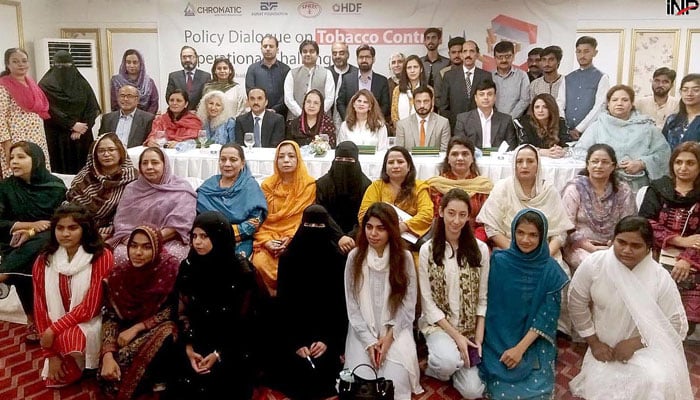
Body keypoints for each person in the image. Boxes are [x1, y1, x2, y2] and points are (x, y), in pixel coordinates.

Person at [568, 216, 692, 399]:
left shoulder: (659, 278)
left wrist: (636, 343)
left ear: (649, 248)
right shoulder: (595, 264)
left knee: (656, 382)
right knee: (607, 392)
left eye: (636, 246)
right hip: (605, 348)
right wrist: (594, 343)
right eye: (621, 242)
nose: (627, 250)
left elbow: (675, 324)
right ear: (613, 240)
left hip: (647, 348)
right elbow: (576, 303)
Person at [480, 209, 568, 399]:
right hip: (498, 336)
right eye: (520, 233)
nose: (525, 240)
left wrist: (520, 349)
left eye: (533, 235)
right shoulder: (499, 262)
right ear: (512, 232)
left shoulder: (550, 271)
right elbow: (488, 306)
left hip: (533, 340)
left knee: (537, 392)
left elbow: (546, 317)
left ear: (542, 236)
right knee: (501, 390)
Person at [344, 202, 423, 400]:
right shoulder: (354, 257)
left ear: (391, 230)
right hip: (362, 331)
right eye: (369, 227)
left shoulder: (404, 258)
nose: (373, 234)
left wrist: (388, 338)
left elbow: (408, 305)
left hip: (396, 329)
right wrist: (369, 341)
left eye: (381, 228)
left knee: (394, 386)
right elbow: (352, 307)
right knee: (364, 385)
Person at [418, 189, 490, 399]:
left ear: (469, 216)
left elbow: (482, 299)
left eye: (462, 214)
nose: (456, 220)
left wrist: (477, 339)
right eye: (451, 213)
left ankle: (454, 363)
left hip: (469, 328)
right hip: (440, 325)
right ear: (441, 212)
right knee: (446, 362)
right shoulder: (428, 250)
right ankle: (440, 365)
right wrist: (457, 338)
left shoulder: (481, 250)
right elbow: (428, 304)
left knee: (473, 392)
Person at [175, 212, 256, 399]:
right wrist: (188, 348)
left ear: (219, 237)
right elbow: (182, 311)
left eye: (204, 236)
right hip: (196, 340)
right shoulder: (188, 266)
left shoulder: (240, 271)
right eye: (194, 236)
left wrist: (219, 354)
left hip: (232, 344)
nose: (197, 242)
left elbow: (245, 321)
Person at [32, 204, 113, 388]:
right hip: (58, 323)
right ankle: (70, 362)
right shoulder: (44, 259)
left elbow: (90, 307)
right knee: (56, 378)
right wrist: (49, 354)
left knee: (70, 339)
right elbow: (40, 305)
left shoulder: (101, 256)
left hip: (93, 319)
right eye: (60, 228)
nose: (65, 234)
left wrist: (52, 331)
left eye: (72, 228)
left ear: (85, 229)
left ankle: (84, 362)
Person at [275, 205, 347, 399]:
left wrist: (327, 340)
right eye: (309, 224)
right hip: (295, 336)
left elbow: (340, 306)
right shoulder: (288, 259)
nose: (314, 229)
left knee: (326, 375)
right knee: (296, 374)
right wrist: (296, 343)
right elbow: (283, 305)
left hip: (327, 336)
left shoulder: (337, 260)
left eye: (319, 224)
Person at [100, 225, 179, 399]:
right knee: (110, 375)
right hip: (125, 333)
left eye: (146, 247)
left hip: (158, 328)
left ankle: (158, 381)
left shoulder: (169, 269)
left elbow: (174, 310)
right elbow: (110, 316)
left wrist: (138, 327)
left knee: (168, 332)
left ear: (157, 248)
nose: (138, 252)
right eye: (133, 246)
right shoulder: (119, 275)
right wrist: (107, 354)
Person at [0, 141, 65, 342]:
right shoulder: (5, 188)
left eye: (21, 157)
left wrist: (32, 231)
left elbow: (60, 220)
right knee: (24, 253)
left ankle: (5, 273)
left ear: (36, 160)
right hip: (13, 240)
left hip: (49, 238)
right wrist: (26, 226)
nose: (14, 162)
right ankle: (32, 320)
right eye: (12, 158)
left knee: (39, 242)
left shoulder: (55, 187)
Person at [639, 141, 700, 340]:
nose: (683, 168)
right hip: (655, 250)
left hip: (695, 257)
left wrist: (687, 259)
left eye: (690, 163)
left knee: (690, 280)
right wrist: (679, 241)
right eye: (679, 162)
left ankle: (679, 336)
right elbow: (645, 223)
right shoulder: (659, 188)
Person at [573, 84, 671, 193]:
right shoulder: (597, 126)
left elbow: (664, 153)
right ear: (608, 104)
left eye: (625, 100)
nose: (619, 103)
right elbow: (580, 151)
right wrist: (606, 164)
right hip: (603, 184)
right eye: (615, 100)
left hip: (639, 186)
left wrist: (642, 163)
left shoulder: (647, 127)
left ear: (632, 104)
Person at [108, 147, 196, 264]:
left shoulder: (181, 189)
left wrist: (150, 241)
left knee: (172, 256)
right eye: (145, 163)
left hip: (168, 241)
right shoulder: (132, 189)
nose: (149, 167)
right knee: (120, 254)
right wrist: (137, 244)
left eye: (155, 163)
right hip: (133, 241)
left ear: (165, 165)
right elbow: (122, 222)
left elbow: (178, 225)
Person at [252, 140, 315, 295]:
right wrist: (266, 241)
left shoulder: (309, 186)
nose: (286, 160)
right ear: (276, 160)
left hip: (296, 239)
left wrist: (291, 239)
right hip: (269, 238)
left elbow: (305, 220)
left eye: (291, 156)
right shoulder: (267, 186)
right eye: (281, 157)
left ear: (298, 159)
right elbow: (260, 220)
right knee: (259, 263)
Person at [561, 144, 636, 271]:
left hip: (615, 246)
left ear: (613, 166)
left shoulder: (623, 190)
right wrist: (590, 247)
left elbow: (629, 225)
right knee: (594, 266)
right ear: (588, 164)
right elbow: (567, 226)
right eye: (595, 161)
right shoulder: (575, 189)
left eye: (605, 162)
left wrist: (614, 245)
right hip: (579, 247)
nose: (599, 166)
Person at [196, 143, 267, 258]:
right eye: (223, 160)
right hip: (207, 238)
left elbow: (255, 221)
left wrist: (223, 234)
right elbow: (198, 216)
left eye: (233, 160)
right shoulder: (209, 185)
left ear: (242, 163)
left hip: (239, 240)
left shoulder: (249, 186)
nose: (227, 164)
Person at [39, 50, 101, 174]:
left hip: (82, 137)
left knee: (85, 172)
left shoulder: (82, 84)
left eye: (67, 65)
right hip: (58, 137)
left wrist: (83, 127)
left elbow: (91, 107)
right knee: (61, 171)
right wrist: (72, 125)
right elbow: (49, 109)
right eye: (59, 66)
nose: (64, 69)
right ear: (53, 65)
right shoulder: (45, 85)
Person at [65, 133, 137, 237]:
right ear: (95, 154)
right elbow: (71, 200)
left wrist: (110, 230)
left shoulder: (132, 178)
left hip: (114, 230)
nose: (106, 154)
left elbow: (131, 213)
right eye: (101, 151)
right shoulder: (85, 175)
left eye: (111, 150)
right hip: (77, 225)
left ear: (120, 152)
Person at [358, 146, 434, 243]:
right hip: (379, 238)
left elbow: (426, 214)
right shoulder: (376, 187)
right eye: (390, 162)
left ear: (409, 166)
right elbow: (364, 214)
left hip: (409, 241)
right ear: (385, 167)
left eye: (400, 162)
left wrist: (404, 226)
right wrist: (383, 228)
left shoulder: (419, 187)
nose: (395, 166)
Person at [427, 136, 493, 242]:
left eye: (465, 154)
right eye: (455, 154)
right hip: (442, 239)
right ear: (448, 159)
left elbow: (486, 222)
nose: (460, 158)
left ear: (472, 158)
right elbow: (433, 219)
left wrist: (474, 242)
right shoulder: (436, 185)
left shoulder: (483, 186)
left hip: (475, 240)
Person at [0, 47, 51, 177]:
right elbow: (1, 118)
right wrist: (7, 146)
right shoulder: (3, 86)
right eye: (16, 61)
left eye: (24, 61)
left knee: (38, 172)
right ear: (8, 65)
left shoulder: (31, 83)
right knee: (19, 174)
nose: (21, 64)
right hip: (16, 139)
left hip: (36, 137)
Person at [316, 141, 371, 253]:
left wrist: (351, 237)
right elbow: (322, 213)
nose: (344, 163)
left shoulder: (366, 186)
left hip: (357, 238)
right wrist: (339, 237)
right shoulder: (323, 184)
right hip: (328, 235)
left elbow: (366, 216)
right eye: (339, 160)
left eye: (349, 160)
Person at [557, 36, 610, 140]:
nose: (582, 55)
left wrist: (579, 129)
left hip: (591, 132)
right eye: (579, 51)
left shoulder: (602, 77)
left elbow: (600, 107)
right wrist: (565, 128)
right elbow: (560, 104)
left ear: (595, 53)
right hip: (566, 132)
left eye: (586, 51)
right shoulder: (567, 78)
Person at [438, 40, 490, 130]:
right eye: (465, 51)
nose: (468, 55)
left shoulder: (486, 76)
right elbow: (444, 106)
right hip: (455, 127)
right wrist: (451, 126)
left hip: (480, 128)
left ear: (477, 55)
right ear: (461, 55)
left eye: (472, 51)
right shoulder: (449, 76)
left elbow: (489, 104)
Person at [454, 79, 517, 150]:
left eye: (489, 94)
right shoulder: (463, 119)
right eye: (481, 94)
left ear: (495, 97)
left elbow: (511, 148)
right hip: (473, 160)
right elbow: (459, 147)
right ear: (475, 98)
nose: (486, 97)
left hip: (498, 160)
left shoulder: (506, 120)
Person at [336, 44, 391, 121]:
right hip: (351, 125)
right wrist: (348, 119)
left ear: (373, 59)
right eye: (361, 57)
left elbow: (385, 105)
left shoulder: (382, 81)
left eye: (367, 57)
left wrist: (375, 120)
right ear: (357, 59)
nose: (364, 60)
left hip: (374, 125)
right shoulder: (347, 79)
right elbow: (340, 102)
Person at [283, 40, 335, 120]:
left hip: (321, 120)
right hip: (296, 120)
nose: (308, 54)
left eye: (311, 51)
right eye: (305, 51)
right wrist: (301, 114)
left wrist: (317, 114)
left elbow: (330, 98)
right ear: (301, 54)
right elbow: (288, 99)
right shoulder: (292, 74)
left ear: (317, 55)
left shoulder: (327, 73)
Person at [245, 34, 291, 117]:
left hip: (280, 115)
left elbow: (287, 94)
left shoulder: (286, 69)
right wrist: (263, 109)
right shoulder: (252, 69)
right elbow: (250, 91)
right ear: (261, 49)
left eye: (271, 46)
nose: (268, 49)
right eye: (265, 46)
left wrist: (275, 109)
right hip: (258, 115)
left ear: (277, 49)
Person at [515, 93, 571, 158]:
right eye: (537, 107)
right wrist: (543, 152)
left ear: (552, 109)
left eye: (545, 107)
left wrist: (562, 151)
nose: (540, 110)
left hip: (555, 161)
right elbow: (523, 147)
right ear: (533, 109)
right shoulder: (524, 122)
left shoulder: (561, 122)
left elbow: (567, 145)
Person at [395, 86, 450, 151]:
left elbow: (445, 152)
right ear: (413, 102)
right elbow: (400, 153)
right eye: (418, 101)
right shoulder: (402, 125)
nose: (422, 105)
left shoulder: (443, 123)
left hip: (436, 161)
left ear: (432, 102)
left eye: (426, 101)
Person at [109, 49, 159, 114]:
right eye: (128, 62)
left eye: (135, 62)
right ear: (124, 63)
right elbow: (114, 104)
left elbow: (154, 103)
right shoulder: (116, 81)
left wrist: (146, 118)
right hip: (123, 118)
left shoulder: (149, 82)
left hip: (145, 120)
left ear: (141, 64)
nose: (131, 65)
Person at [491, 41, 530, 119]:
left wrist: (509, 118)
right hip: (492, 121)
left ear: (513, 56)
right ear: (495, 58)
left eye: (508, 56)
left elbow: (525, 100)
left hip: (514, 122)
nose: (504, 60)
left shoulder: (522, 75)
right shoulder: (489, 76)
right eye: (500, 57)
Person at [166, 45, 211, 110]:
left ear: (196, 58)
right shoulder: (173, 76)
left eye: (190, 57)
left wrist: (196, 111)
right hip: (179, 115)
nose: (187, 60)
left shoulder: (205, 76)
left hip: (199, 115)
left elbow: (207, 98)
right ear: (181, 59)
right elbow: (169, 97)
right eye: (184, 57)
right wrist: (182, 110)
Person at [662, 73, 700, 149]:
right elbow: (661, 146)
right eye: (685, 90)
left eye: (696, 90)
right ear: (680, 92)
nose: (689, 94)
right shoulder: (672, 119)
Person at [390, 55, 428, 124]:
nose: (412, 71)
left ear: (421, 69)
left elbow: (429, 114)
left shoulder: (428, 89)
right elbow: (394, 116)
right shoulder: (397, 90)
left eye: (415, 67)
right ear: (405, 70)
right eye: (409, 68)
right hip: (401, 131)